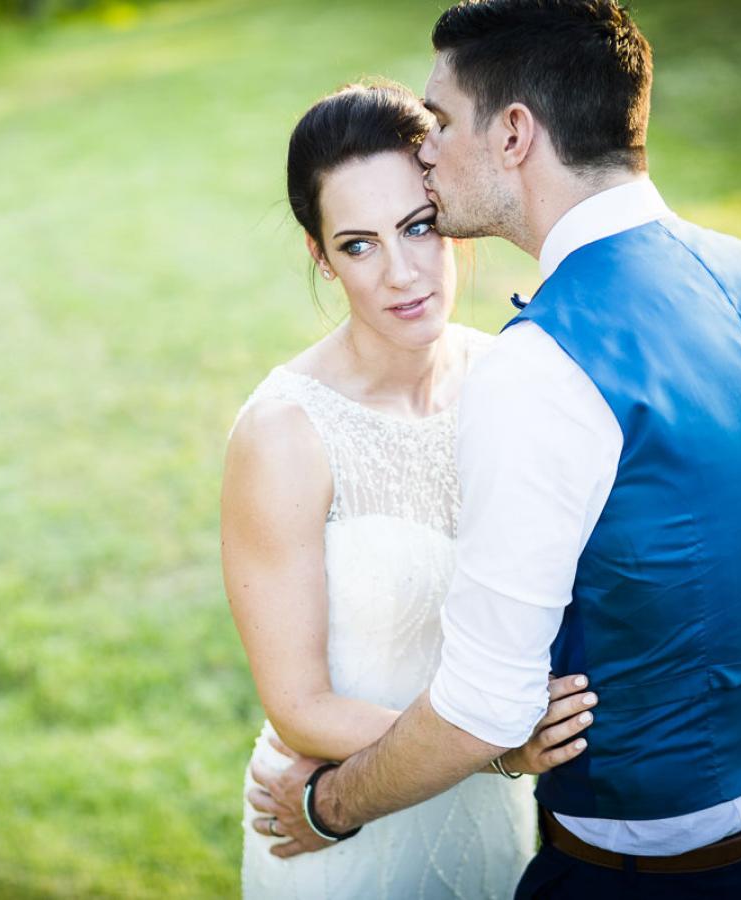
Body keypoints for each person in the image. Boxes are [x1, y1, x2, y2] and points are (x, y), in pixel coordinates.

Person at [246, 2, 741, 898]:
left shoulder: (540, 367)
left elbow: (485, 708)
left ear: (515, 134)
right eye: (358, 244)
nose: (431, 152)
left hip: (647, 873)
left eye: (442, 123)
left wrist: (326, 809)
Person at [221, 80, 598, 899]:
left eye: (417, 228)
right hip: (340, 830)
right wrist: (496, 745)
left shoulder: (513, 378)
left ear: (450, 216)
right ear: (321, 256)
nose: (402, 273)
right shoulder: (285, 432)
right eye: (358, 245)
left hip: (496, 827)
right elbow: (301, 705)